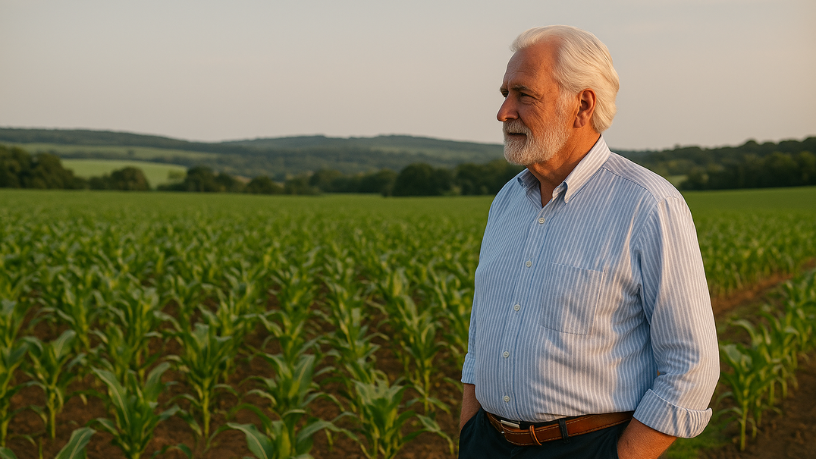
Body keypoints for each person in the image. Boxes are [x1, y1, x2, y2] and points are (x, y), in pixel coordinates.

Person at [458, 25, 719, 459]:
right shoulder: (506, 201)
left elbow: (691, 366)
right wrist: (470, 434)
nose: (504, 112)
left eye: (524, 94)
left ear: (582, 104)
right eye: (504, 93)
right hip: (487, 443)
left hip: (585, 447)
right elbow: (481, 334)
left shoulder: (648, 205)